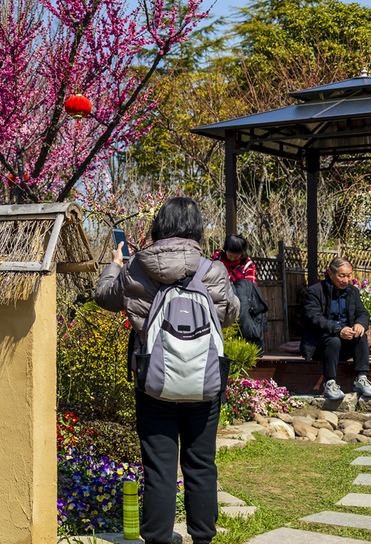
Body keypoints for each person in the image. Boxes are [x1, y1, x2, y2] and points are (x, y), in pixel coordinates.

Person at [95, 197, 239, 544]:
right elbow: (231, 314)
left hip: (154, 383)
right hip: (204, 383)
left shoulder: (137, 269)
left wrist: (116, 265)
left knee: (159, 467)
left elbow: (104, 296)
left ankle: (158, 539)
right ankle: (202, 538)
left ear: (159, 226)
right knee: (201, 464)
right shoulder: (212, 269)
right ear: (197, 230)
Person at [300, 257, 371, 400]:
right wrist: (338, 330)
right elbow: (314, 317)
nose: (346, 280)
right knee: (333, 340)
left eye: (349, 275)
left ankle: (362, 379)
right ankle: (330, 384)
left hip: (345, 346)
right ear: (330, 274)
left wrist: (360, 324)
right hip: (320, 345)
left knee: (361, 335)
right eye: (341, 276)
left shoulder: (353, 291)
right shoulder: (315, 291)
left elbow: (363, 313)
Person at [212, 234, 268, 352]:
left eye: (236, 256)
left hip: (243, 307)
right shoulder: (215, 261)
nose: (232, 259)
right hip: (220, 304)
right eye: (230, 255)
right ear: (225, 250)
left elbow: (250, 288)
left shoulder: (248, 264)